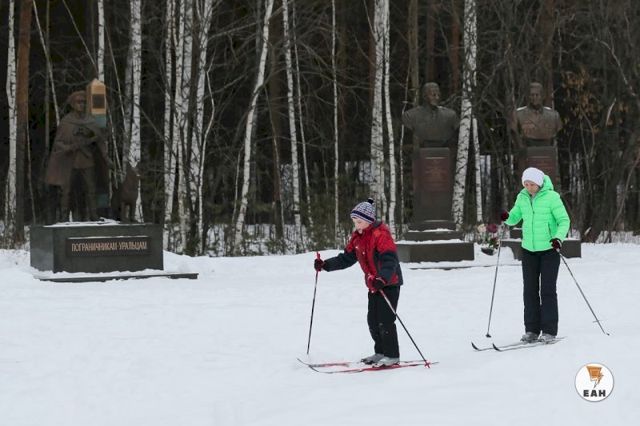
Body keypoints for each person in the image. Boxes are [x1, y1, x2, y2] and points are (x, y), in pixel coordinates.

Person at [313, 198, 403, 367]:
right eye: (354, 221)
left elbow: (390, 260)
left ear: (369, 220)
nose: (356, 225)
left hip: (389, 283)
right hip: (373, 285)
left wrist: (382, 278)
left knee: (385, 320)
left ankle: (392, 355)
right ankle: (380, 352)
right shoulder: (357, 238)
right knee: (373, 320)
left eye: (359, 221)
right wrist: (325, 265)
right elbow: (346, 258)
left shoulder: (381, 235)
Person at [500, 167, 570, 343]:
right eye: (526, 184)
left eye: (532, 184)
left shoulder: (552, 197)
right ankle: (531, 330)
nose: (529, 187)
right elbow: (514, 217)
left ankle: (549, 331)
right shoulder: (522, 197)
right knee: (529, 291)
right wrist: (507, 216)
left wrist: (558, 238)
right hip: (529, 251)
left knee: (547, 290)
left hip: (549, 250)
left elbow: (564, 220)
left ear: (539, 183)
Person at [45, 90, 111, 221]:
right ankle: (64, 218)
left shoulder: (90, 121)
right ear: (73, 104)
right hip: (70, 161)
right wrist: (69, 147)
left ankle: (94, 215)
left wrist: (105, 156)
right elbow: (58, 143)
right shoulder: (66, 122)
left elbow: (99, 140)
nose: (82, 105)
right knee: (66, 190)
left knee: (91, 189)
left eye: (84, 102)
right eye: (79, 102)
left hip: (87, 160)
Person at [402, 82, 459, 150]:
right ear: (424, 96)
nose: (437, 98)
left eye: (438, 95)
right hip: (422, 152)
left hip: (443, 151)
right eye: (433, 95)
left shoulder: (450, 115)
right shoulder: (410, 116)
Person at [514, 82, 562, 148]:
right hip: (527, 150)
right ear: (528, 96)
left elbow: (557, 134)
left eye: (537, 95)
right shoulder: (518, 114)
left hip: (547, 151)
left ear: (542, 96)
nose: (534, 98)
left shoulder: (554, 116)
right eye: (532, 95)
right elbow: (514, 132)